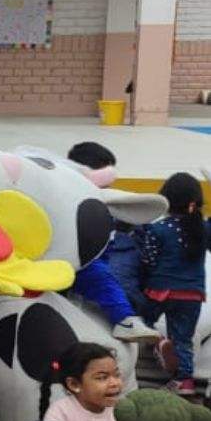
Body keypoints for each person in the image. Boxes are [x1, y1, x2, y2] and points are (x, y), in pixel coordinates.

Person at [57, 143, 160, 344]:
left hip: (95, 260)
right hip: (75, 260)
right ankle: (124, 320)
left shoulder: (105, 205)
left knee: (106, 281)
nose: (108, 190)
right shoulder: (67, 197)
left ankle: (125, 319)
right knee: (102, 279)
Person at [136, 172, 209, 396]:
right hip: (193, 295)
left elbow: (148, 260)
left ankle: (158, 344)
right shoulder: (204, 230)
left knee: (141, 325)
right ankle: (184, 382)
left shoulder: (157, 229)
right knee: (184, 339)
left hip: (160, 291)